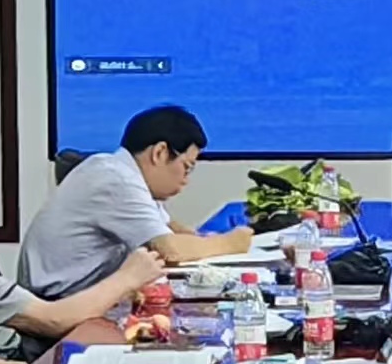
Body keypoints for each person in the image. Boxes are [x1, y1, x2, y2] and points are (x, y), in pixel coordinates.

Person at [0, 145, 164, 364]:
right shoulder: (111, 177)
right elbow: (53, 320)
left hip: (17, 347)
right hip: (23, 350)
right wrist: (127, 278)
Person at [19, 106, 253, 299]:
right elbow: (170, 250)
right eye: (187, 167)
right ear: (160, 153)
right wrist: (230, 243)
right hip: (55, 308)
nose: (186, 180)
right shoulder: (115, 179)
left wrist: (203, 240)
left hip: (74, 299)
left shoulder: (124, 174)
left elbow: (170, 229)